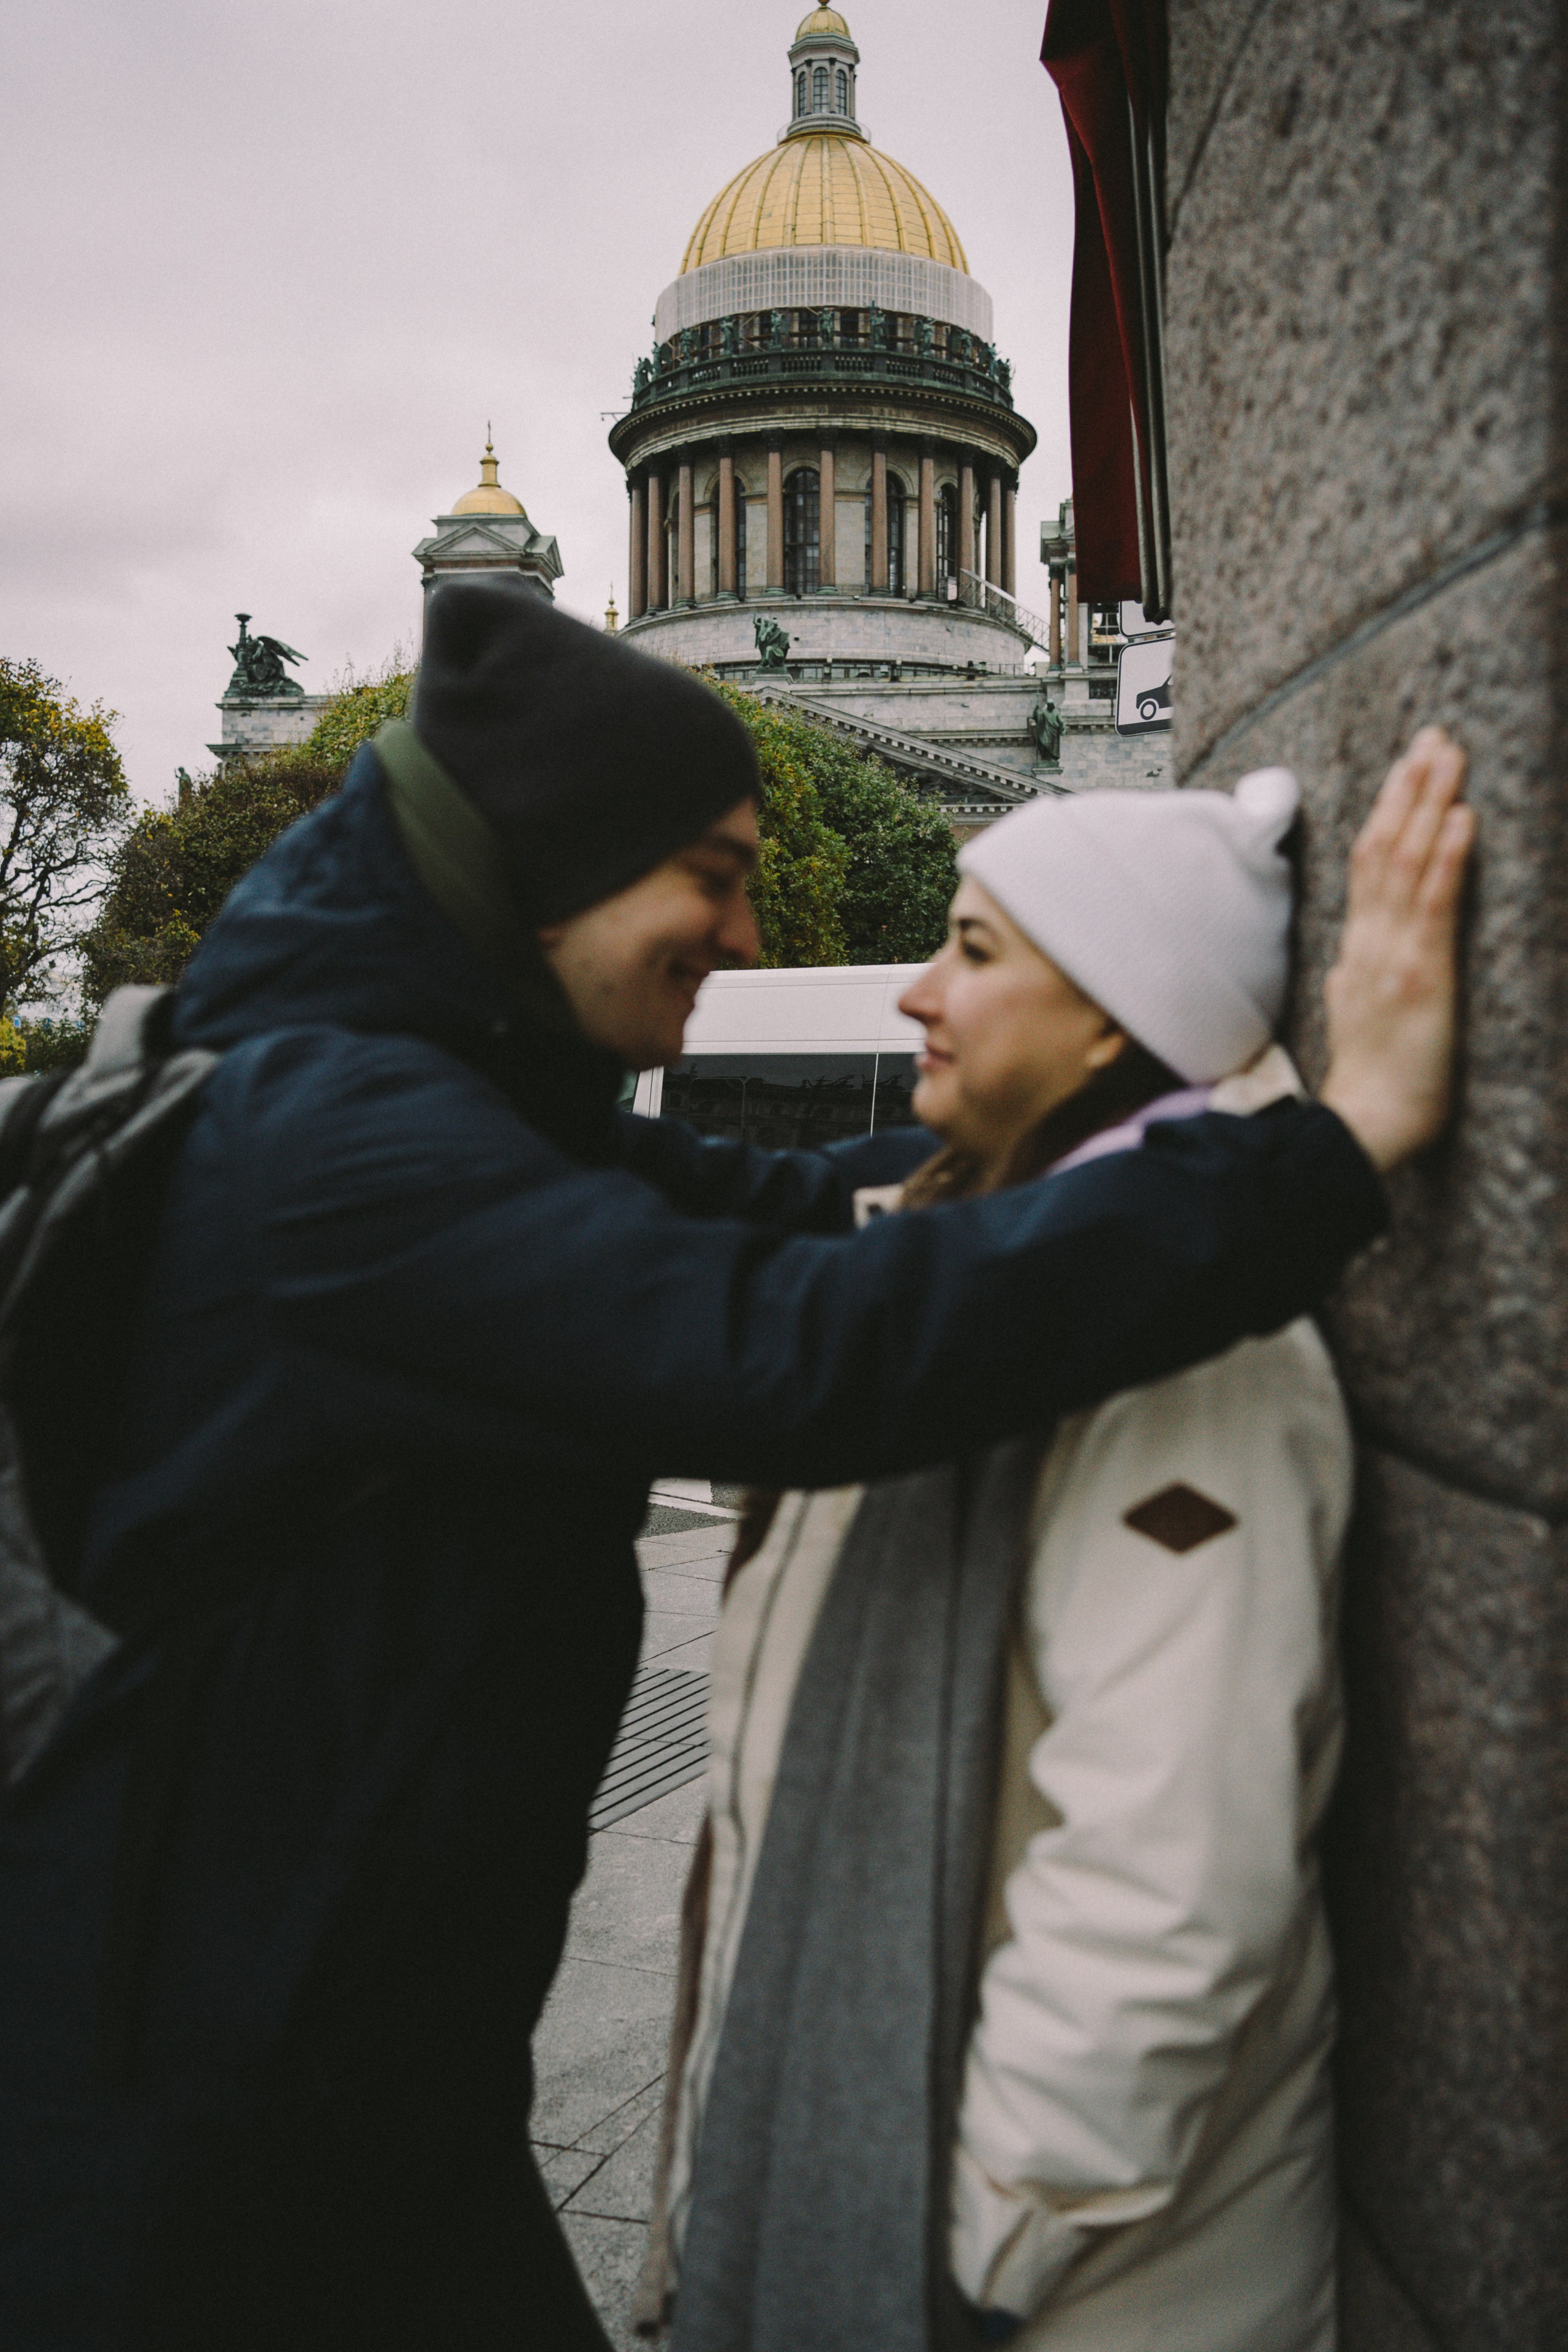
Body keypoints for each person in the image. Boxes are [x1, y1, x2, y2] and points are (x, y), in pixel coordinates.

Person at [0, 576, 1464, 2352]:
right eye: (713, 873)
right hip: (201, 2111)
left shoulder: (436, 1097)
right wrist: (1331, 1152)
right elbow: (800, 1346)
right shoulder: (338, 1149)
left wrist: (1139, 1129)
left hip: (345, 2043)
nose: (754, 936)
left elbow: (794, 1210)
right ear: (552, 867)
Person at [644, 749, 1472, 2352]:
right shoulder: (978, 1270)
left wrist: (959, 2261)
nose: (914, 993)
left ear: (1111, 1020)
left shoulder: (1193, 1351)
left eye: (971, 948)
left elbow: (1164, 1895)